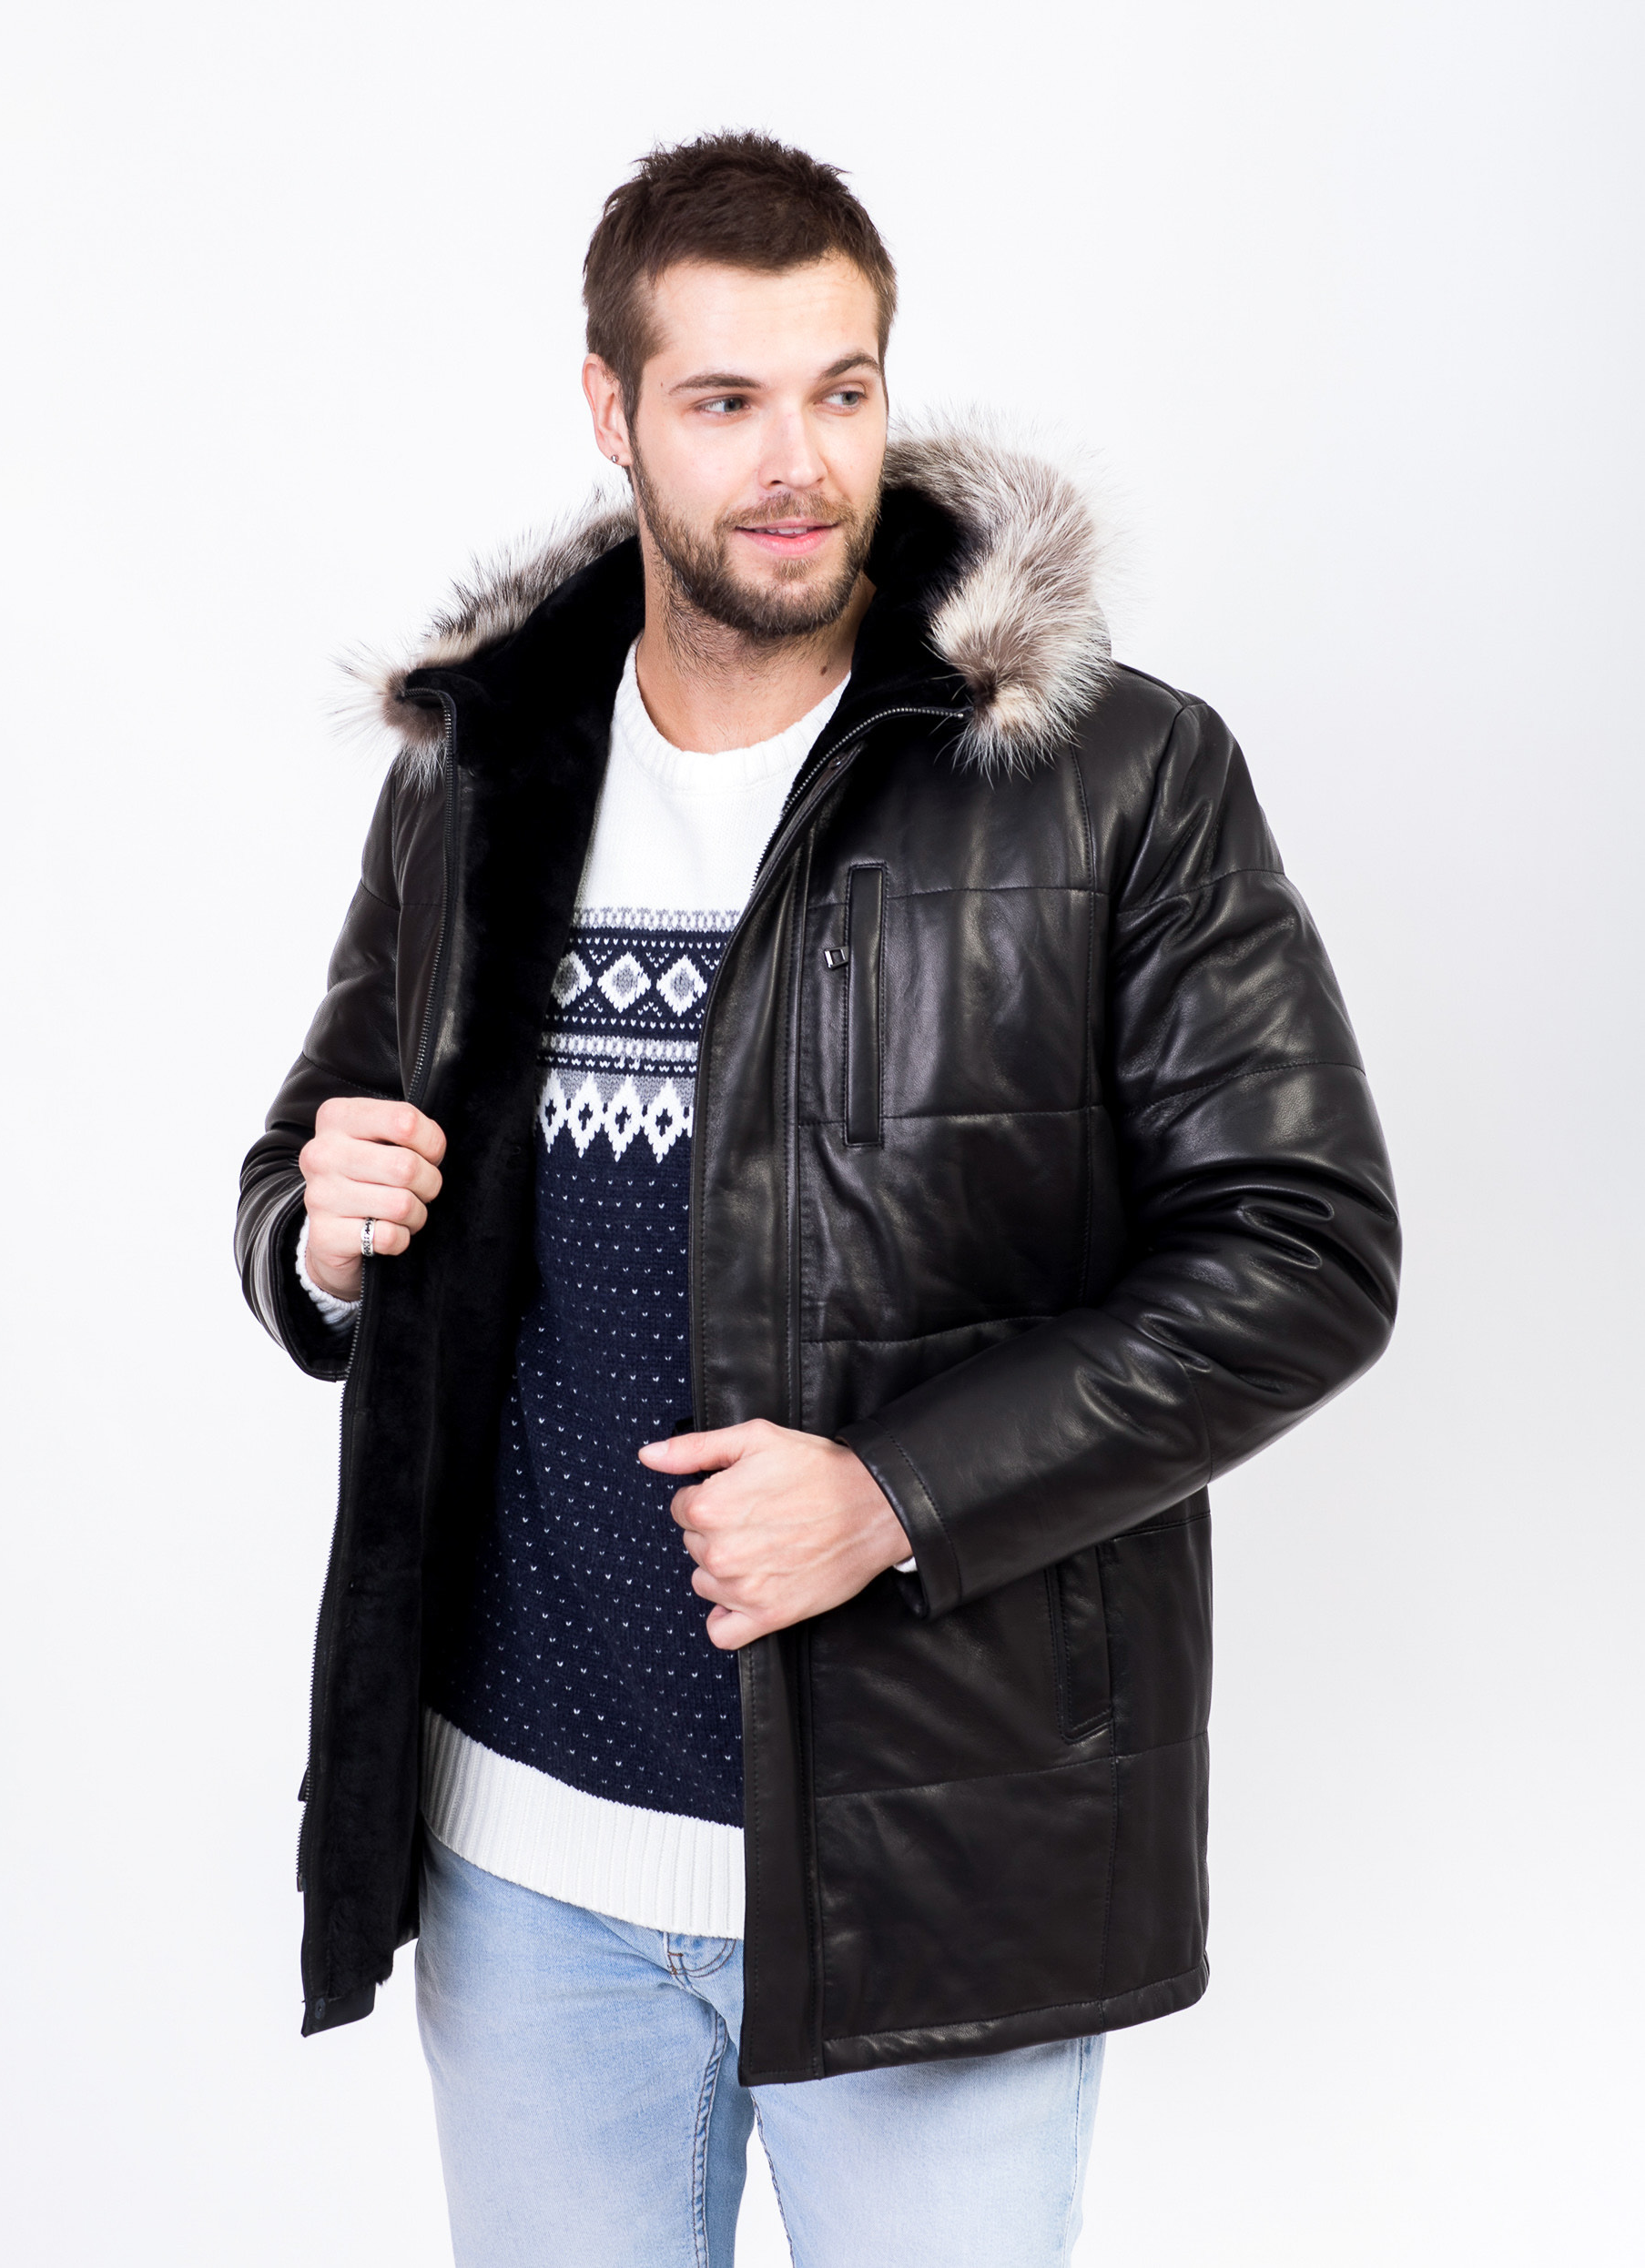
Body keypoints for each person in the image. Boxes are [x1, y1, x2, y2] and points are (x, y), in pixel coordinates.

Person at [237, 131, 1399, 2267]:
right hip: (523, 1874)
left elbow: (1303, 1249)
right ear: (611, 413)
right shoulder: (485, 770)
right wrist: (311, 1232)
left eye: (840, 389)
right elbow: (316, 1145)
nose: (798, 463)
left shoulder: (1110, 777)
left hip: (925, 1870)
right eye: (725, 400)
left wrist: (891, 1493)